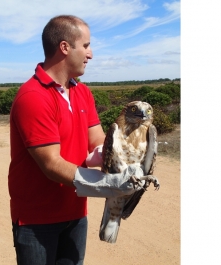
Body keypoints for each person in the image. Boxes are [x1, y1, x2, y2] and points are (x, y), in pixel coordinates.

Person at [8, 15, 143, 265]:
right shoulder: (33, 96)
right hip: (37, 220)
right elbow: (51, 165)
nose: (90, 54)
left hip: (76, 213)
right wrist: (110, 184)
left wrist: (112, 157)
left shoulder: (82, 92)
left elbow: (97, 139)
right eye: (86, 45)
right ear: (64, 47)